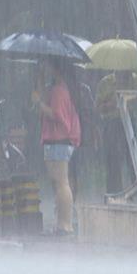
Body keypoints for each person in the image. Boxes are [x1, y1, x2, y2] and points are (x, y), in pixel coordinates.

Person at [32, 57, 82, 236]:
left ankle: (65, 224)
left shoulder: (60, 91)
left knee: (62, 182)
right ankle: (61, 222)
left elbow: (56, 115)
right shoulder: (56, 89)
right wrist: (39, 78)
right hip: (54, 140)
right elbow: (44, 98)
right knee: (57, 182)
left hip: (59, 140)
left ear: (56, 70)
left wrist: (39, 104)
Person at [96, 70, 137, 193]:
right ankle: (114, 192)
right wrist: (111, 105)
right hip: (112, 122)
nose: (123, 72)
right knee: (112, 160)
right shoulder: (106, 83)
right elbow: (98, 108)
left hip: (129, 122)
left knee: (133, 159)